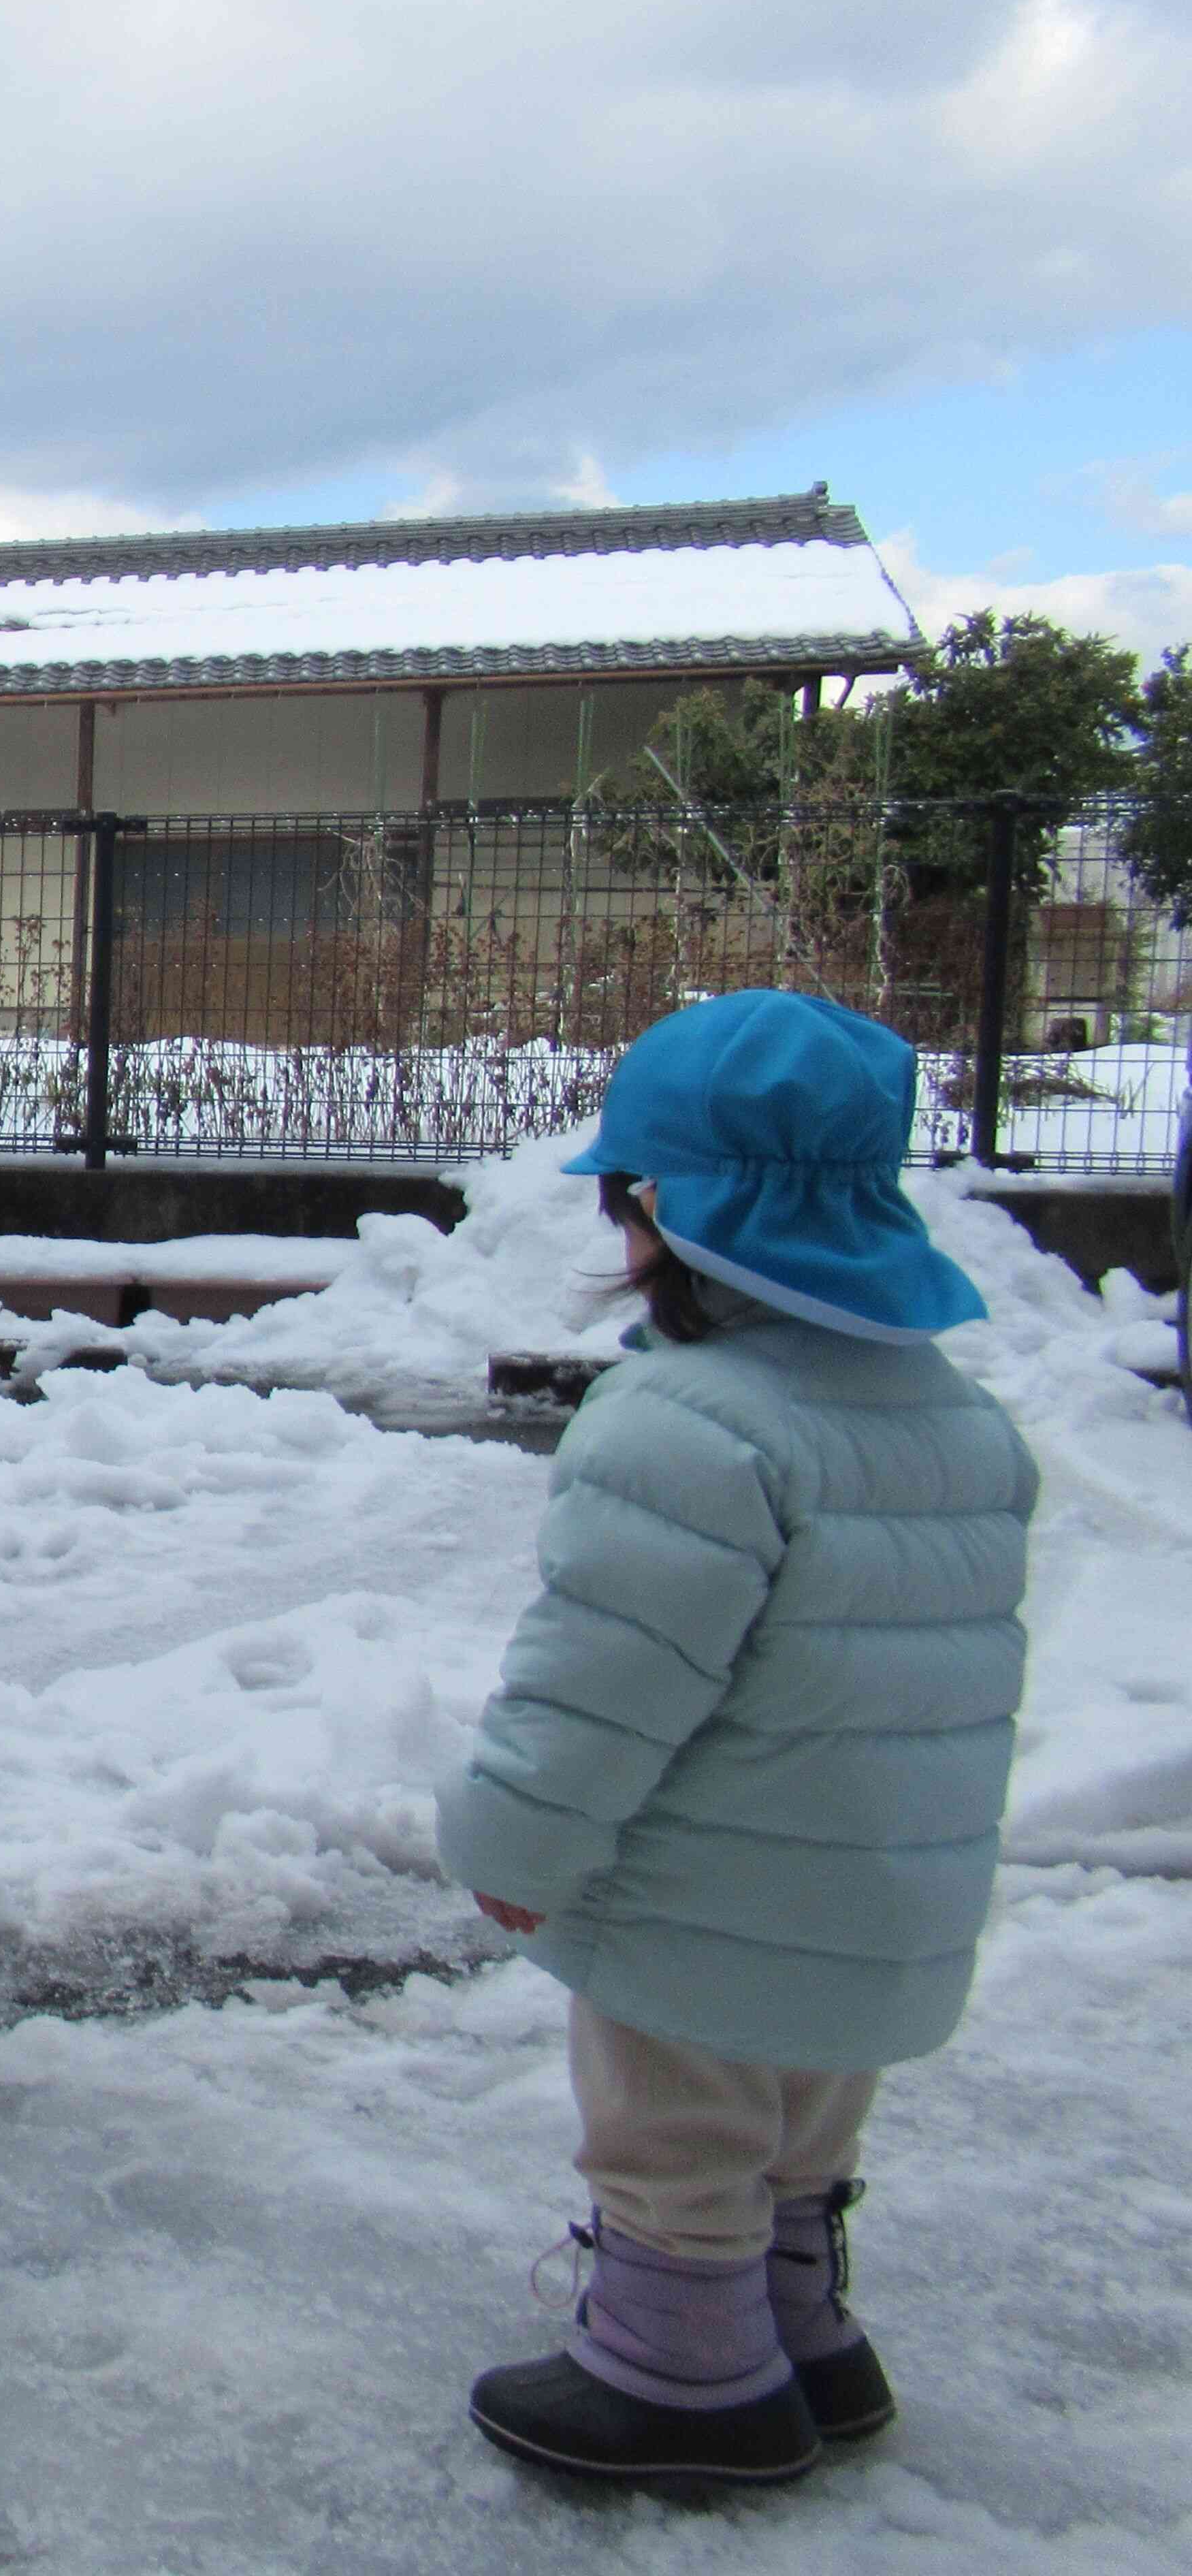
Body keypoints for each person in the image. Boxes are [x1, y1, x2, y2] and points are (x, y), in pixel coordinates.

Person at [436, 989, 1037, 2488]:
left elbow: (601, 1689)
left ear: (666, 1207)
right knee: (799, 2134)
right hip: (883, 1906)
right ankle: (806, 2334)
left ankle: (684, 2374)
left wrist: (513, 1850)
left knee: (678, 2134)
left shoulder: (684, 1425)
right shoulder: (959, 1424)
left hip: (706, 1904)